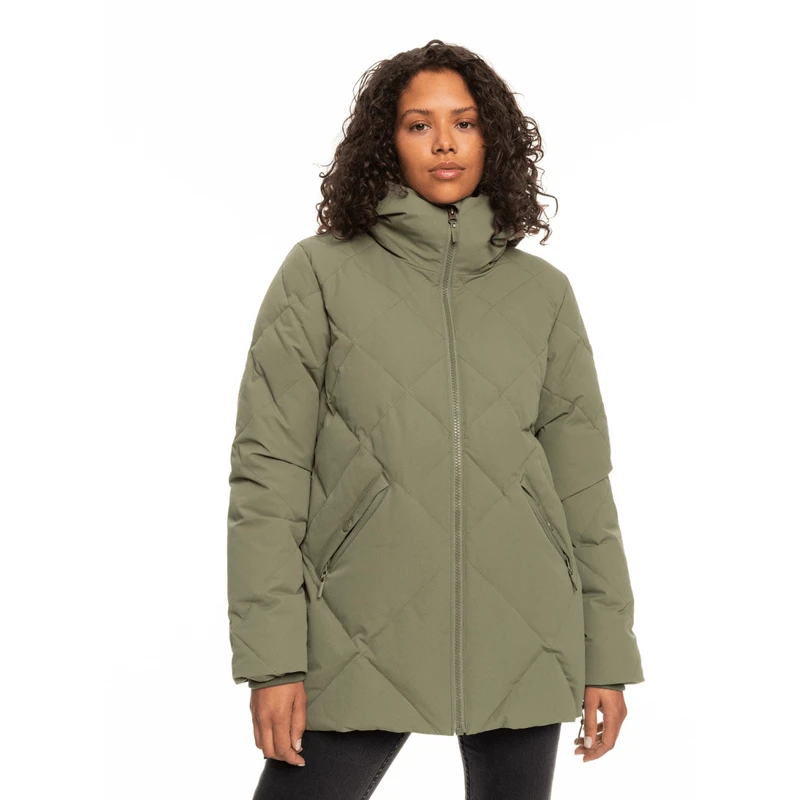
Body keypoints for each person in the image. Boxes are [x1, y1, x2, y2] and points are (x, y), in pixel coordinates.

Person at [226, 39, 644, 799]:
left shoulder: (542, 294)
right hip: (355, 627)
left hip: (523, 625)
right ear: (385, 142)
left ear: (494, 140)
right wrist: (273, 661)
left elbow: (583, 487)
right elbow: (269, 476)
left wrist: (607, 658)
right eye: (420, 124)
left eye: (465, 123)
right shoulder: (319, 272)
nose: (445, 143)